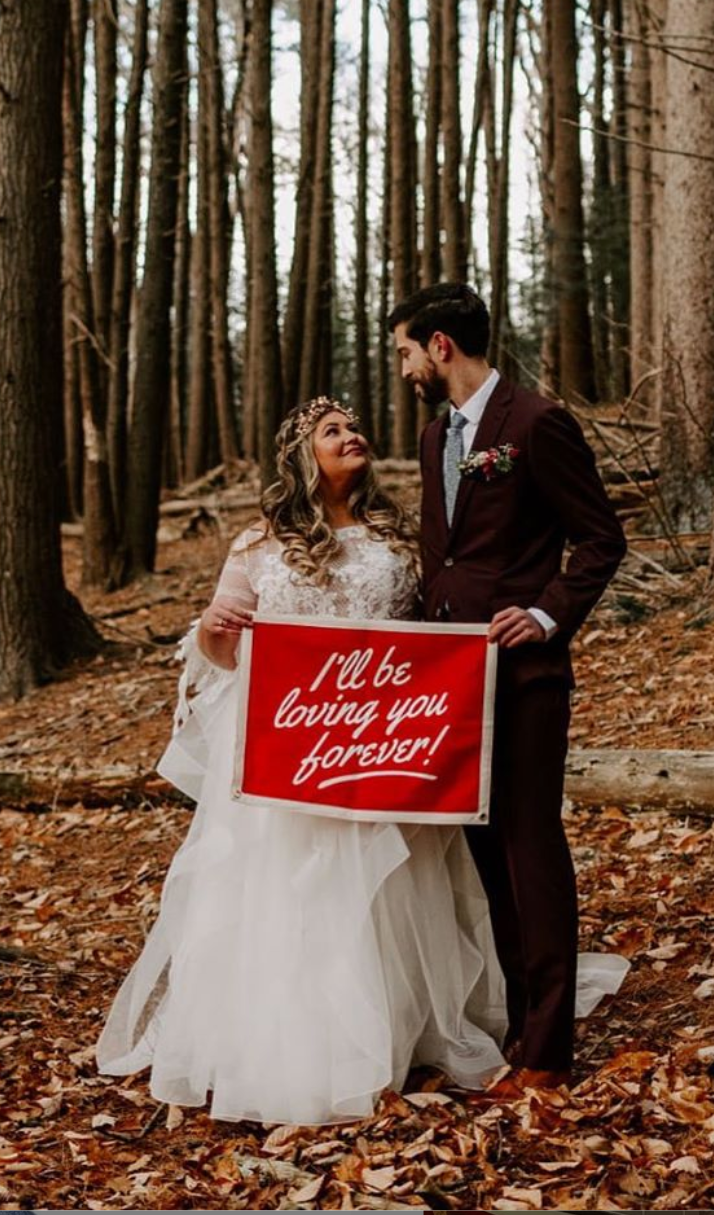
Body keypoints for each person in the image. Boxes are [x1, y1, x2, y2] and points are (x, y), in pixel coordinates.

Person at [96, 397, 508, 1125]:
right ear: (301, 456)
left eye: (354, 426)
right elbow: (224, 650)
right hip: (291, 744)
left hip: (377, 738)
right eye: (332, 431)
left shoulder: (397, 536)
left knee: (387, 885)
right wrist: (214, 628)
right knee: (295, 888)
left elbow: (426, 636)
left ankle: (397, 1029)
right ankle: (295, 1047)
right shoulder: (258, 544)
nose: (353, 436)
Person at [389, 283, 629, 1095]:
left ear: (441, 346)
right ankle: (521, 1025)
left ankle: (550, 1052)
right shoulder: (435, 437)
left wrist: (546, 613)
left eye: (406, 352)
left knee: (531, 849)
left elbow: (600, 539)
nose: (405, 369)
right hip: (450, 682)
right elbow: (445, 562)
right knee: (488, 855)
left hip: (525, 677)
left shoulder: (535, 424)